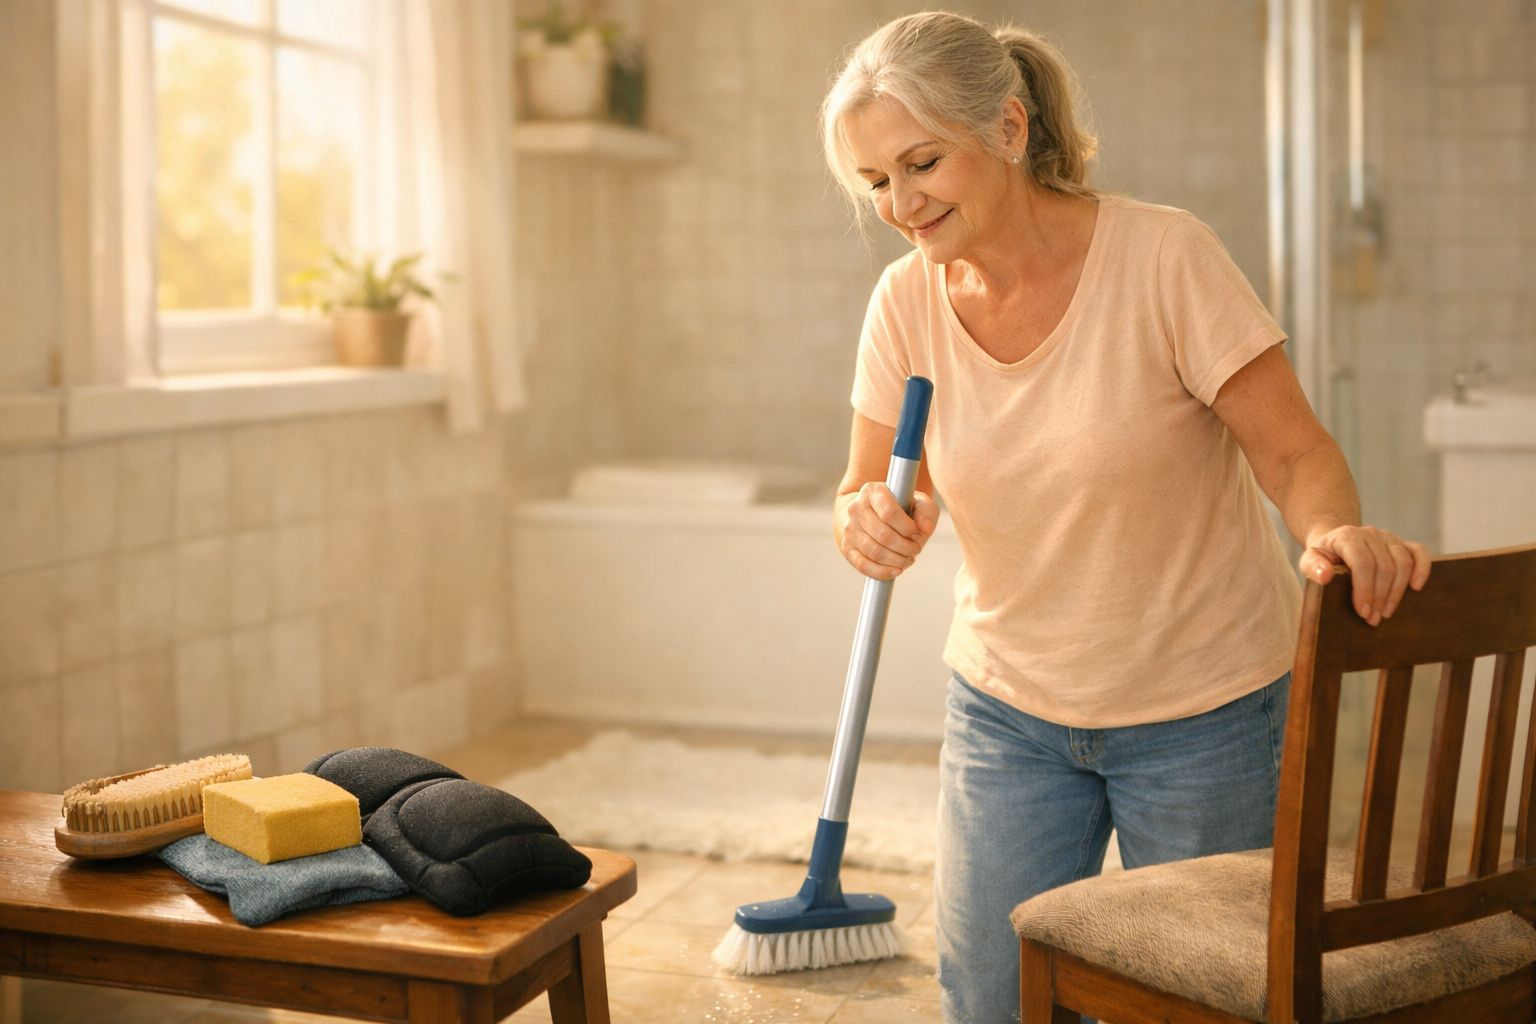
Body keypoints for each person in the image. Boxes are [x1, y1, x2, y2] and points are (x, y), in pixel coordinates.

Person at [818, 11, 1431, 1024]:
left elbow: (1294, 452)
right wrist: (867, 520)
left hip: (1209, 712)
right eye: (875, 182)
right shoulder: (904, 305)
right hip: (1008, 710)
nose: (900, 202)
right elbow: (867, 487)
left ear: (1008, 131)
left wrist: (1329, 534)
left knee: (1199, 1001)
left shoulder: (1164, 258)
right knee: (989, 993)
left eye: (920, 163)